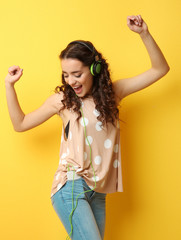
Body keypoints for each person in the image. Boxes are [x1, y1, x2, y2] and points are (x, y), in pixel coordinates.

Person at [5, 15, 169, 240]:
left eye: (77, 74)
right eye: (65, 75)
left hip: (99, 193)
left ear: (94, 69)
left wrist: (144, 34)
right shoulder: (62, 100)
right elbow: (20, 124)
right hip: (71, 188)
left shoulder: (114, 93)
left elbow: (160, 69)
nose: (71, 81)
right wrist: (9, 85)